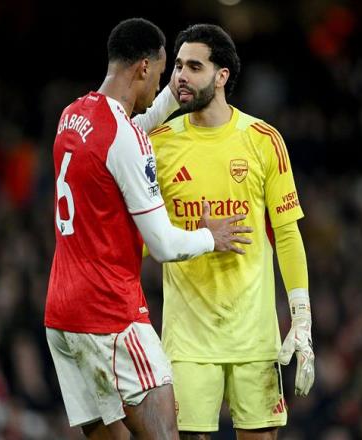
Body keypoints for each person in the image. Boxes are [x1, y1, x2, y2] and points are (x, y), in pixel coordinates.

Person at [44, 18, 253, 440]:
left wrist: (170, 99)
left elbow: (120, 138)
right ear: (143, 67)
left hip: (62, 315)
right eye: (160, 72)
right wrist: (211, 236)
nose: (162, 81)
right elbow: (163, 245)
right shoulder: (125, 138)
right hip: (110, 315)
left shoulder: (74, 114)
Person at [149, 24, 315, 439]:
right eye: (178, 66)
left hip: (253, 339)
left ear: (221, 75)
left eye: (194, 67)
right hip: (188, 342)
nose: (181, 76)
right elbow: (143, 239)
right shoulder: (158, 144)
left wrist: (302, 319)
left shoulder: (263, 140)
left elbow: (287, 235)